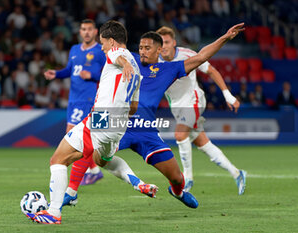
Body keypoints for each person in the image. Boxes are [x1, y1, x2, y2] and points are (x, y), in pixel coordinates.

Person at [61, 23, 245, 208]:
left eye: (147, 48)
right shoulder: (128, 59)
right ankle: (71, 192)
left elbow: (202, 56)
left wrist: (224, 38)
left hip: (146, 130)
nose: (142, 51)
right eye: (140, 47)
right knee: (89, 146)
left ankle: (178, 191)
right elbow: (110, 50)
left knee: (176, 177)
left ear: (159, 49)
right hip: (119, 124)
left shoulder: (169, 70)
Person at [26, 20, 154, 224]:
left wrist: (125, 63)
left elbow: (117, 56)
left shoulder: (117, 55)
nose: (101, 47)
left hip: (101, 119)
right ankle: (137, 183)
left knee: (57, 160)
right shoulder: (137, 71)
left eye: (102, 42)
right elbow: (133, 108)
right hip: (119, 126)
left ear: (111, 41)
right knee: (102, 160)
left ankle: (53, 213)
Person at [156, 26, 246, 194]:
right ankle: (237, 173)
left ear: (174, 42)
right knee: (202, 143)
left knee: (180, 135)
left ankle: (187, 178)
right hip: (177, 108)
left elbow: (211, 71)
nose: (164, 46)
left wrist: (228, 95)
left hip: (194, 101)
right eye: (161, 42)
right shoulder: (154, 61)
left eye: (167, 41)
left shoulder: (187, 54)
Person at [44, 19, 107, 186]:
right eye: (83, 29)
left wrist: (93, 76)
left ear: (95, 32)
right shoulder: (74, 50)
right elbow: (69, 70)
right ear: (80, 32)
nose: (86, 32)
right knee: (79, 136)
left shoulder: (101, 51)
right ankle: (93, 170)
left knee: (72, 133)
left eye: (89, 29)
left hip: (87, 99)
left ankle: (90, 171)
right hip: (74, 99)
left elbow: (109, 74)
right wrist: (56, 74)